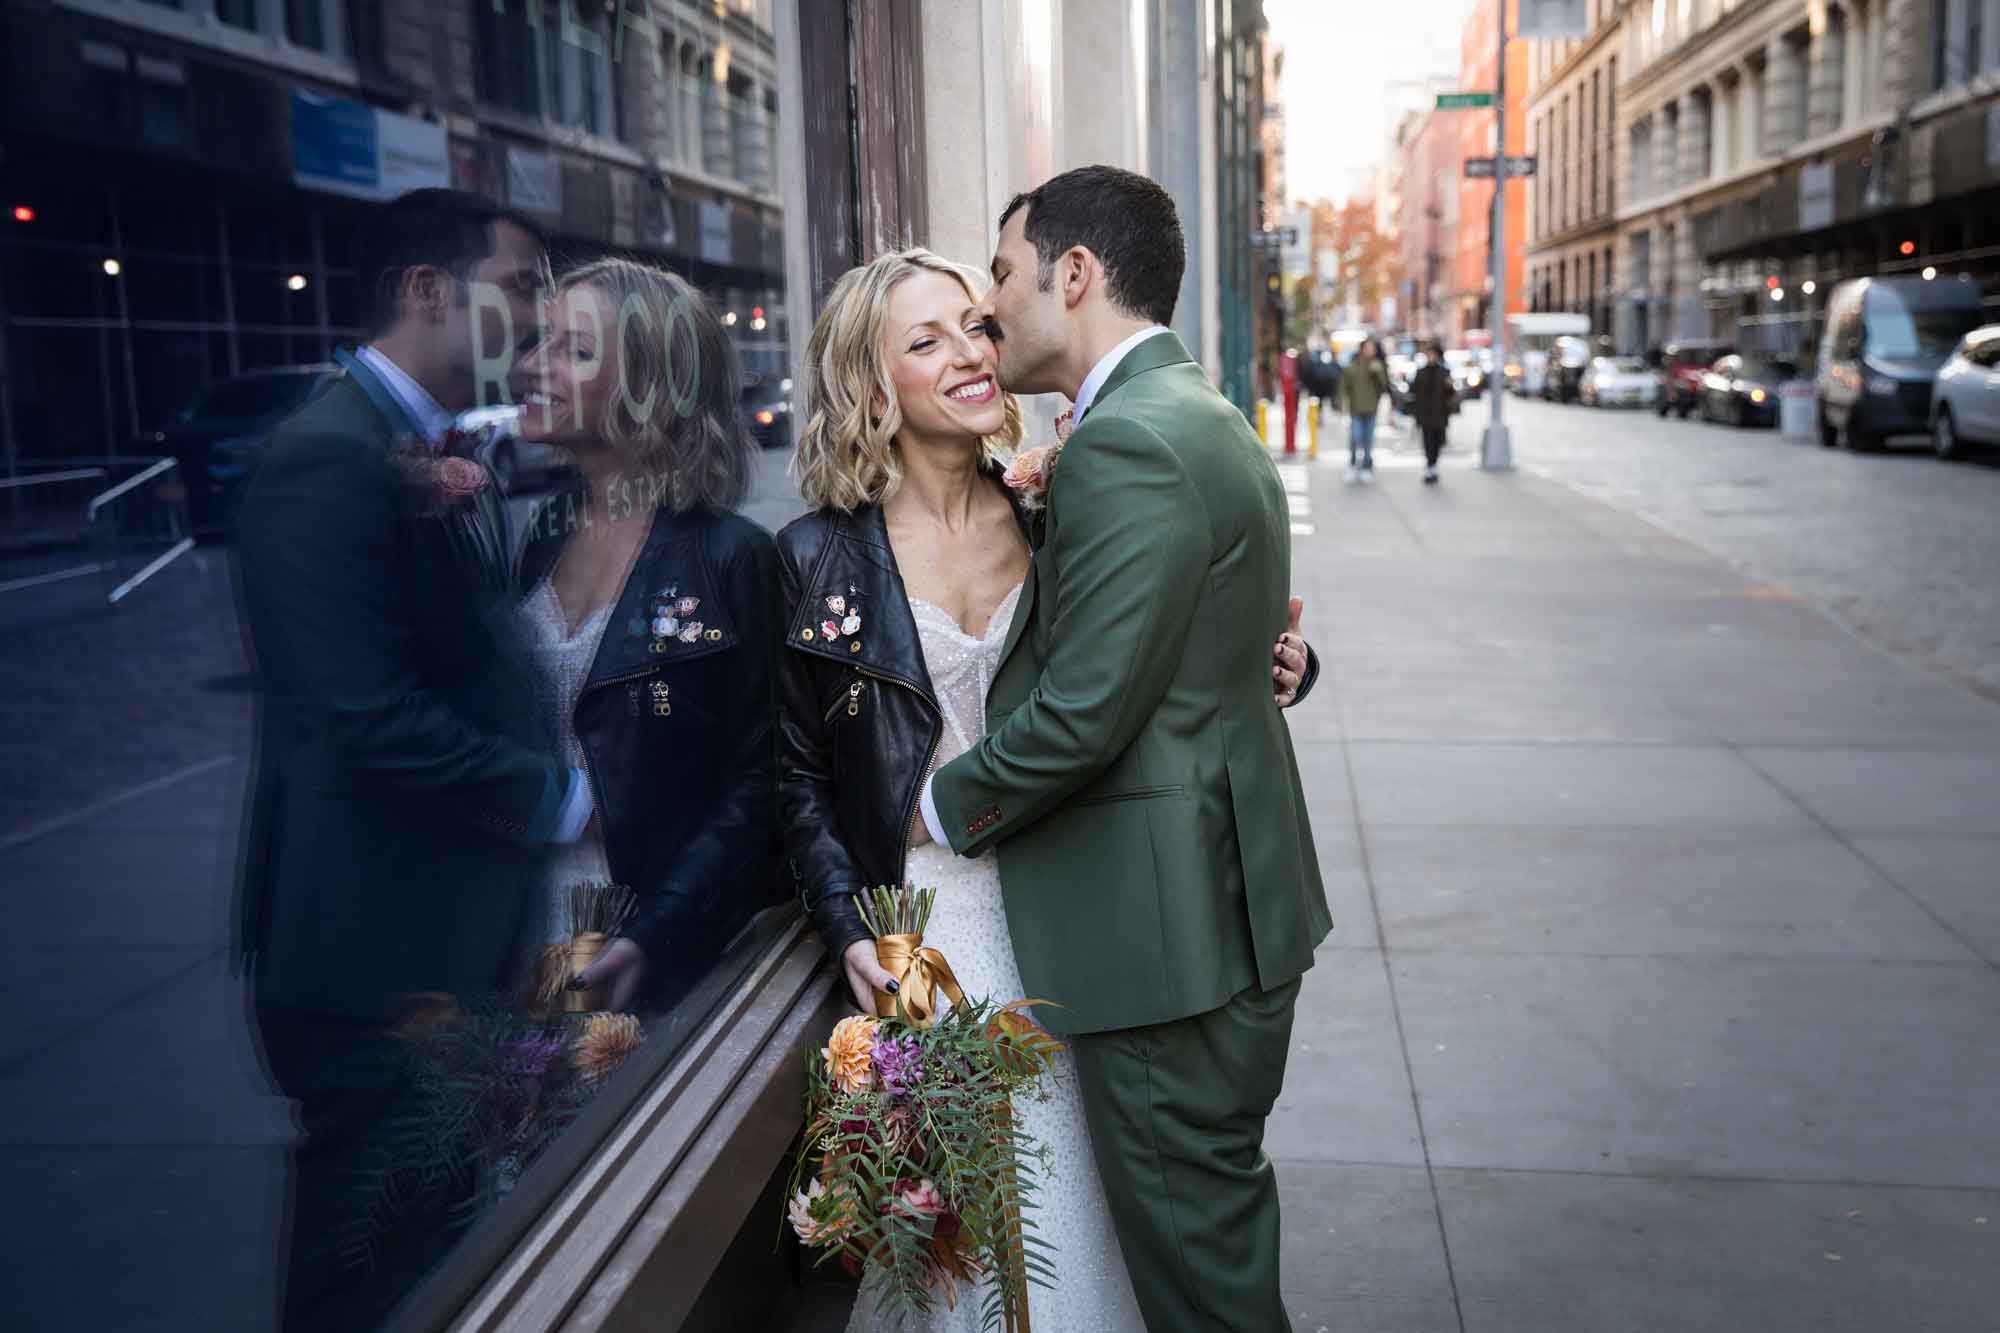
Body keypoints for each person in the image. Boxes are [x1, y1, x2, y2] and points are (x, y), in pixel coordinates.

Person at [778, 245, 1317, 1331]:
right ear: (871, 385)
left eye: (974, 326)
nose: (970, 354)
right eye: (923, 341)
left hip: (1076, 911)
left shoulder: (1052, 513)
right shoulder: (812, 558)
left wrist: (1284, 662)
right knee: (975, 1248)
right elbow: (790, 775)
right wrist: (846, 923)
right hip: (932, 944)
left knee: (1101, 1229)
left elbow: (1160, 653)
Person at [914, 164, 1331, 1332]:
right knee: (1214, 1243)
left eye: (1001, 272)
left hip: (1168, 946)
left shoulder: (1129, 442)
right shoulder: (1192, 412)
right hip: (1222, 911)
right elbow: (1211, 638)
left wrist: (935, 809)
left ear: (1076, 273)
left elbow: (1084, 712)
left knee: (1199, 1283)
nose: (990, 306)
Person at [233, 188, 591, 1332]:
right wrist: (559, 794)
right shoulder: (325, 459)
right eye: (522, 284)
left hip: (436, 938)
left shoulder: (407, 447)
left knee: (432, 1255)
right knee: (367, 1277)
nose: (536, 314)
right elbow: (363, 714)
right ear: (428, 292)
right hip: (371, 951)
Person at [510, 258, 782, 1014]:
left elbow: (763, 789)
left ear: (654, 386)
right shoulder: (543, 532)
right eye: (540, 342)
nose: (533, 366)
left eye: (574, 349)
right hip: (527, 922)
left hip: (646, 942)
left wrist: (655, 935)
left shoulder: (731, 558)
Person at [1339, 336, 1389, 483]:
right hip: (1356, 409)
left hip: (1372, 409)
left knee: (1368, 439)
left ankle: (1366, 466)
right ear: (1362, 349)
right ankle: (1353, 464)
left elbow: (1383, 387)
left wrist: (1378, 373)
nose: (1370, 351)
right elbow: (1344, 387)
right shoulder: (1352, 366)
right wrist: (1342, 404)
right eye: (1367, 348)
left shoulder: (1377, 365)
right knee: (1356, 437)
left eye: (1372, 348)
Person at [1408, 338, 1458, 486]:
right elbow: (1413, 391)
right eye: (1428, 354)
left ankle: (1433, 465)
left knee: (1438, 441)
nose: (1431, 357)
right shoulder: (1420, 372)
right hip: (1425, 413)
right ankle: (1430, 467)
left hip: (1440, 413)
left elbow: (1451, 394)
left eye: (1433, 354)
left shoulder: (1444, 372)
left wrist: (1449, 386)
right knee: (1427, 441)